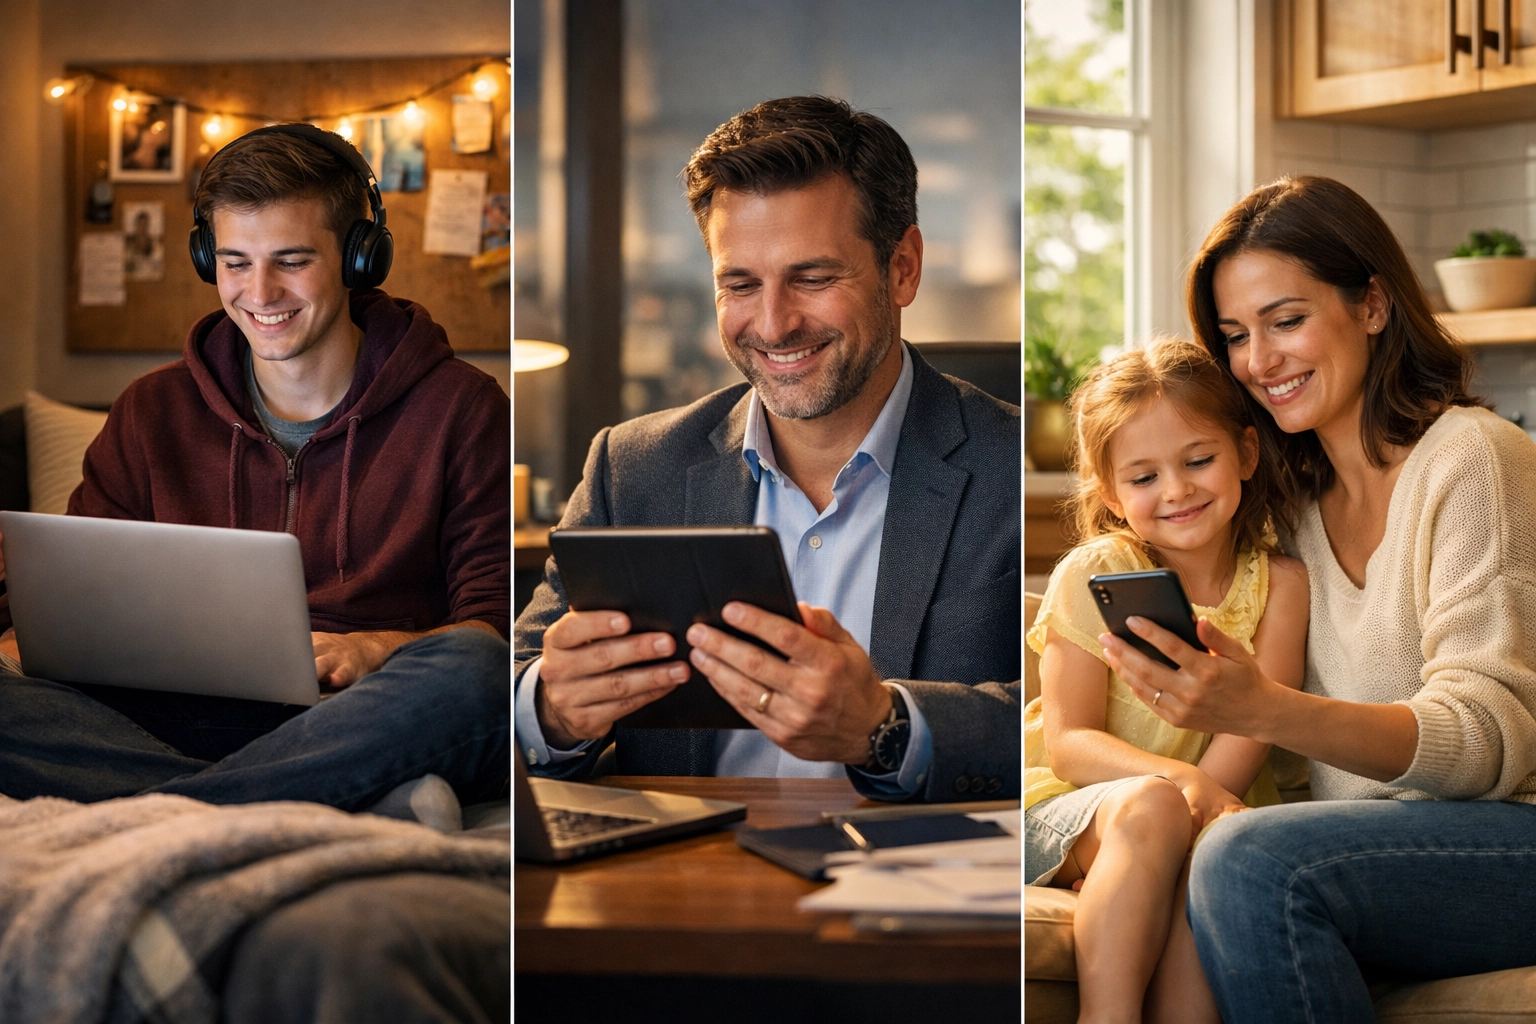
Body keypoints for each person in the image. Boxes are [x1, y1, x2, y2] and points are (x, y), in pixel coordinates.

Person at [1103, 175, 1536, 1023]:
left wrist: (1265, 709)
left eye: (1286, 320)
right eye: (1234, 336)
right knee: (1213, 849)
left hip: (1510, 839)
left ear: (1372, 305)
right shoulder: (1288, 509)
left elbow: (1491, 742)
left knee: (1252, 860)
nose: (1259, 361)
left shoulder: (1475, 460)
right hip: (1369, 855)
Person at [514, 96, 1020, 801]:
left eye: (813, 278)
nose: (774, 324)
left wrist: (887, 727)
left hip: (915, 883)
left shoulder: (1006, 464)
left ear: (902, 268)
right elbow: (514, 686)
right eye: (740, 284)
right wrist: (549, 709)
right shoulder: (632, 468)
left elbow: (1057, 721)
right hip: (677, 880)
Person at [0, 124, 511, 817]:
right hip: (167, 714)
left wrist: (373, 649)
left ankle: (155, 805)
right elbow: (70, 613)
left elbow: (491, 629)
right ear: (208, 258)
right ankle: (305, 799)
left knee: (475, 677)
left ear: (361, 258)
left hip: (358, 712)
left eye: (291, 260)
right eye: (235, 262)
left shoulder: (463, 408)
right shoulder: (151, 410)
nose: (259, 292)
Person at [1025, 337, 1308, 1023]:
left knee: (1213, 855)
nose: (1176, 490)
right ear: (1113, 495)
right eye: (1144, 477)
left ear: (1244, 454)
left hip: (1211, 810)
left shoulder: (1283, 583)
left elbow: (1254, 728)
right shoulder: (1096, 573)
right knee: (1154, 807)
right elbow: (1069, 745)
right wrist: (1181, 789)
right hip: (1070, 809)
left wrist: (1196, 807)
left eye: (1198, 461)